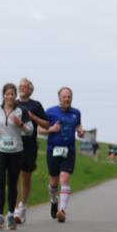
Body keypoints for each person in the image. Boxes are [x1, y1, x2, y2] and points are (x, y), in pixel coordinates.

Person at [0, 83, 34, 231]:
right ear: (3, 95)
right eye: (7, 94)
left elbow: (30, 131)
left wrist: (21, 125)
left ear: (16, 96)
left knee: (12, 183)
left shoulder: (22, 111)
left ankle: (10, 215)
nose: (9, 96)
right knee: (0, 181)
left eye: (12, 94)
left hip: (16, 151)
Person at [44, 87, 85, 223]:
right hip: (53, 150)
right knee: (54, 182)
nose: (67, 99)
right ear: (59, 98)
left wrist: (80, 131)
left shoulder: (76, 112)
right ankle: (53, 200)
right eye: (64, 97)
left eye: (69, 96)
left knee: (65, 178)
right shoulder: (50, 112)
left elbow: (78, 125)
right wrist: (52, 129)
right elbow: (40, 129)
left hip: (69, 150)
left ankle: (62, 210)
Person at [14, 78, 48, 224]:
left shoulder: (36, 105)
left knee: (26, 178)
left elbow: (46, 124)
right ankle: (14, 209)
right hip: (14, 145)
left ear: (30, 89)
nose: (22, 88)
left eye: (25, 86)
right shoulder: (13, 103)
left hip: (29, 145)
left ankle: (23, 206)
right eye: (20, 86)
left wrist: (33, 117)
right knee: (14, 178)